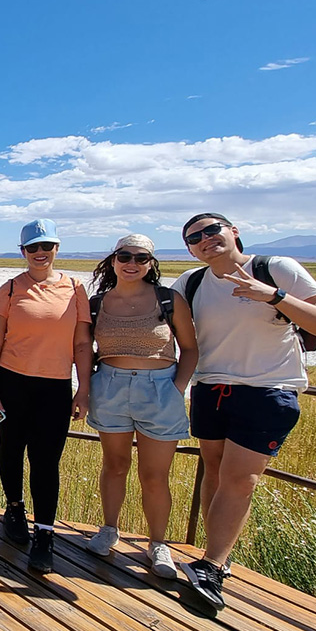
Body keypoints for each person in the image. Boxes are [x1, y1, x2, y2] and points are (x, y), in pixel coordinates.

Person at [172, 213, 316, 611]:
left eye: (212, 230)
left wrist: (273, 296)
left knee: (241, 479)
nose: (205, 240)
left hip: (267, 390)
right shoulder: (190, 283)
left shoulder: (276, 269)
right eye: (195, 237)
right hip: (211, 389)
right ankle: (214, 557)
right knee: (215, 469)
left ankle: (211, 565)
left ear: (233, 231)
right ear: (190, 248)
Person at [0, 219, 93, 573]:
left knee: (46, 461)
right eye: (33, 248)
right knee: (10, 450)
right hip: (11, 383)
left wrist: (83, 390)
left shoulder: (75, 289)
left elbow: (81, 344)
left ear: (57, 248)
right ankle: (14, 509)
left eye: (47, 246)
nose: (40, 253)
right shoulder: (10, 289)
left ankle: (45, 534)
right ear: (23, 251)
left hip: (54, 387)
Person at [83, 234, 197, 579]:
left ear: (151, 263)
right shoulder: (98, 302)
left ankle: (158, 543)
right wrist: (85, 387)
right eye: (125, 256)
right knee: (114, 464)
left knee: (154, 475)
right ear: (113, 260)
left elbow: (190, 349)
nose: (132, 263)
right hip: (111, 386)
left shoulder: (168, 298)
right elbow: (84, 350)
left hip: (160, 389)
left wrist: (176, 389)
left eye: (141, 257)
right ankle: (109, 529)